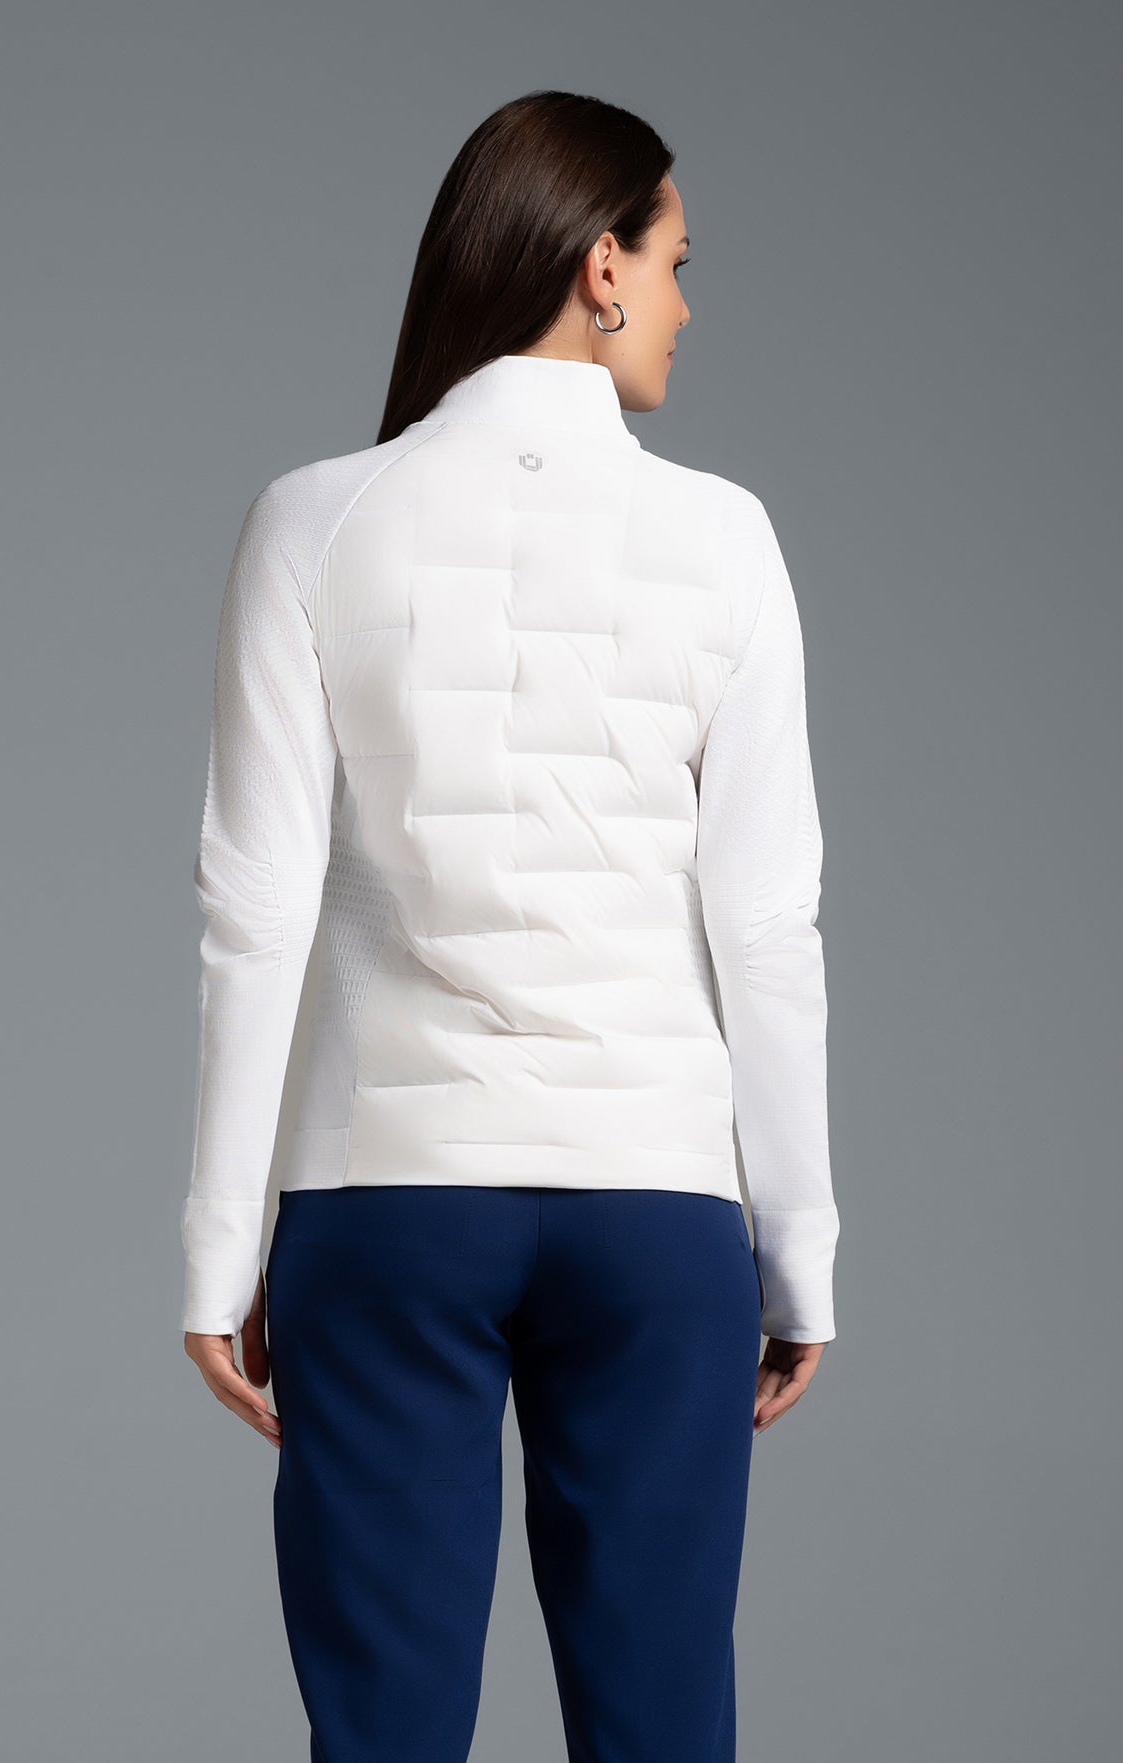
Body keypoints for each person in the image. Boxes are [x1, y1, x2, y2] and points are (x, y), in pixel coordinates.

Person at [179, 88, 839, 1763]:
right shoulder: (725, 538)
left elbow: (253, 906)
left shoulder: (315, 518)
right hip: (657, 1211)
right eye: (677, 261)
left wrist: (219, 1251)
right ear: (598, 266)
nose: (686, 304)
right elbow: (766, 922)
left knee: (382, 1736)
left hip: (386, 1207)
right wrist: (797, 1251)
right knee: (663, 1730)